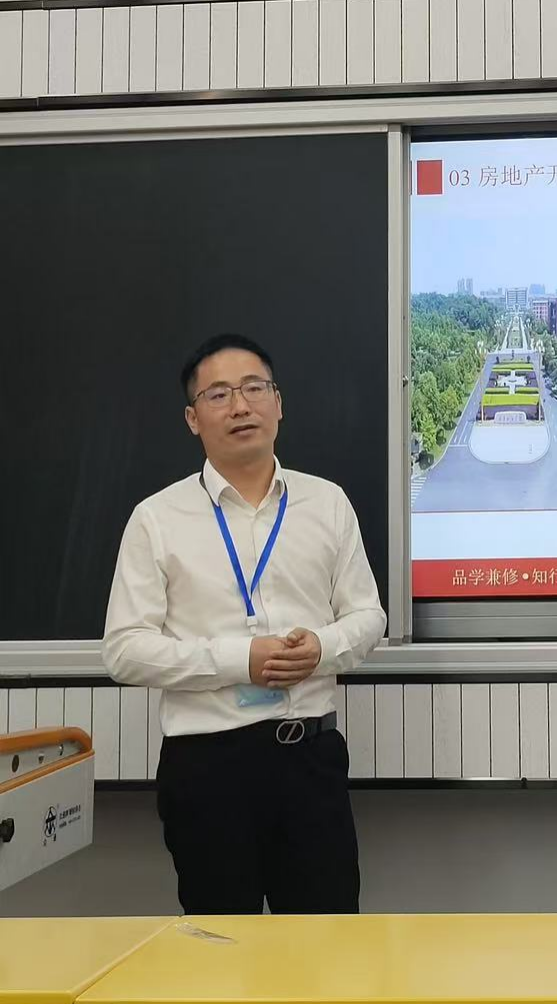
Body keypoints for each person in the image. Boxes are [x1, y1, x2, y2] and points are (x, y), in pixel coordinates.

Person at [103, 333, 386, 915]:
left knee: (327, 944)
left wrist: (322, 646)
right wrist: (240, 660)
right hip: (207, 768)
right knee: (222, 948)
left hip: (309, 759)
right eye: (219, 394)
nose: (240, 406)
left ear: (278, 403)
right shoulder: (156, 519)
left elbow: (368, 615)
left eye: (255, 388)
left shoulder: (327, 503)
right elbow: (125, 650)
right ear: (193, 418)